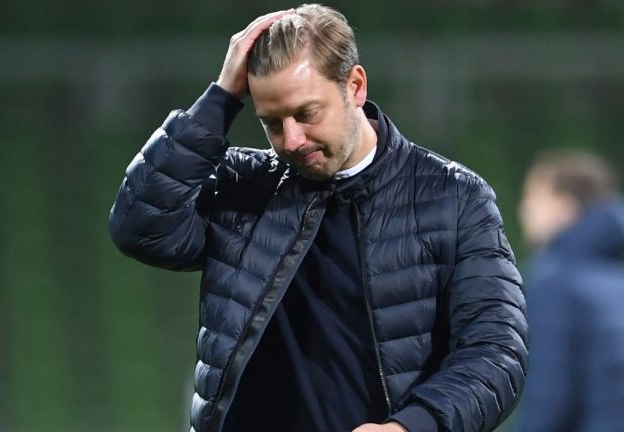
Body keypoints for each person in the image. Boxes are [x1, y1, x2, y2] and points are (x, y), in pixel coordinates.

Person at [109, 5, 527, 432]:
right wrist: (221, 97)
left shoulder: (454, 198)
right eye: (272, 122)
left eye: (306, 114)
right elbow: (138, 227)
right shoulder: (241, 184)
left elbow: (496, 352)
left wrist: (409, 427)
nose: (291, 140)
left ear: (355, 85)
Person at [511, 150, 624, 432]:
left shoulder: (554, 280)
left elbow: (548, 398)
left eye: (534, 197)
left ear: (564, 206)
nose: (524, 208)